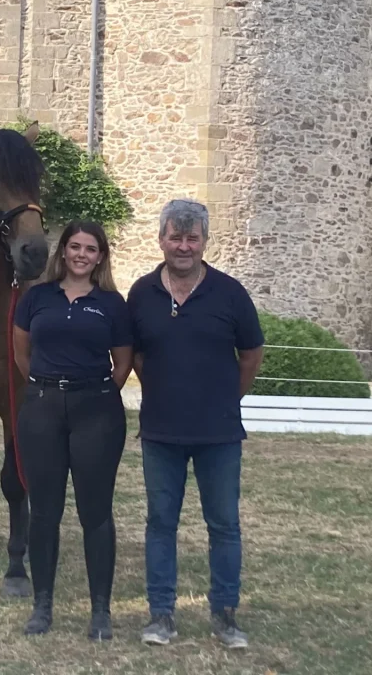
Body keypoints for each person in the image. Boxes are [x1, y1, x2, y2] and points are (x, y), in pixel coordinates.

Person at [127, 199, 264, 649]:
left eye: (192, 238)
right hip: (161, 432)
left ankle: (225, 615)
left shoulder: (229, 293)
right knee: (161, 523)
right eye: (175, 237)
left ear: (204, 241)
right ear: (161, 239)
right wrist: (166, 392)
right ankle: (161, 615)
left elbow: (250, 356)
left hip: (218, 433)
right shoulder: (142, 293)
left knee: (223, 524)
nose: (183, 246)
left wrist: (225, 397)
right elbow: (139, 357)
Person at [12, 220, 134, 640]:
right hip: (42, 408)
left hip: (96, 412)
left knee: (95, 512)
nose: (82, 254)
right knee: (44, 510)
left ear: (100, 257)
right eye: (74, 246)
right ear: (62, 251)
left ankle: (100, 610)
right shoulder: (37, 298)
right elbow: (21, 352)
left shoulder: (112, 304)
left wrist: (90, 393)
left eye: (91, 249)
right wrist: (52, 387)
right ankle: (42, 605)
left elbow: (122, 363)